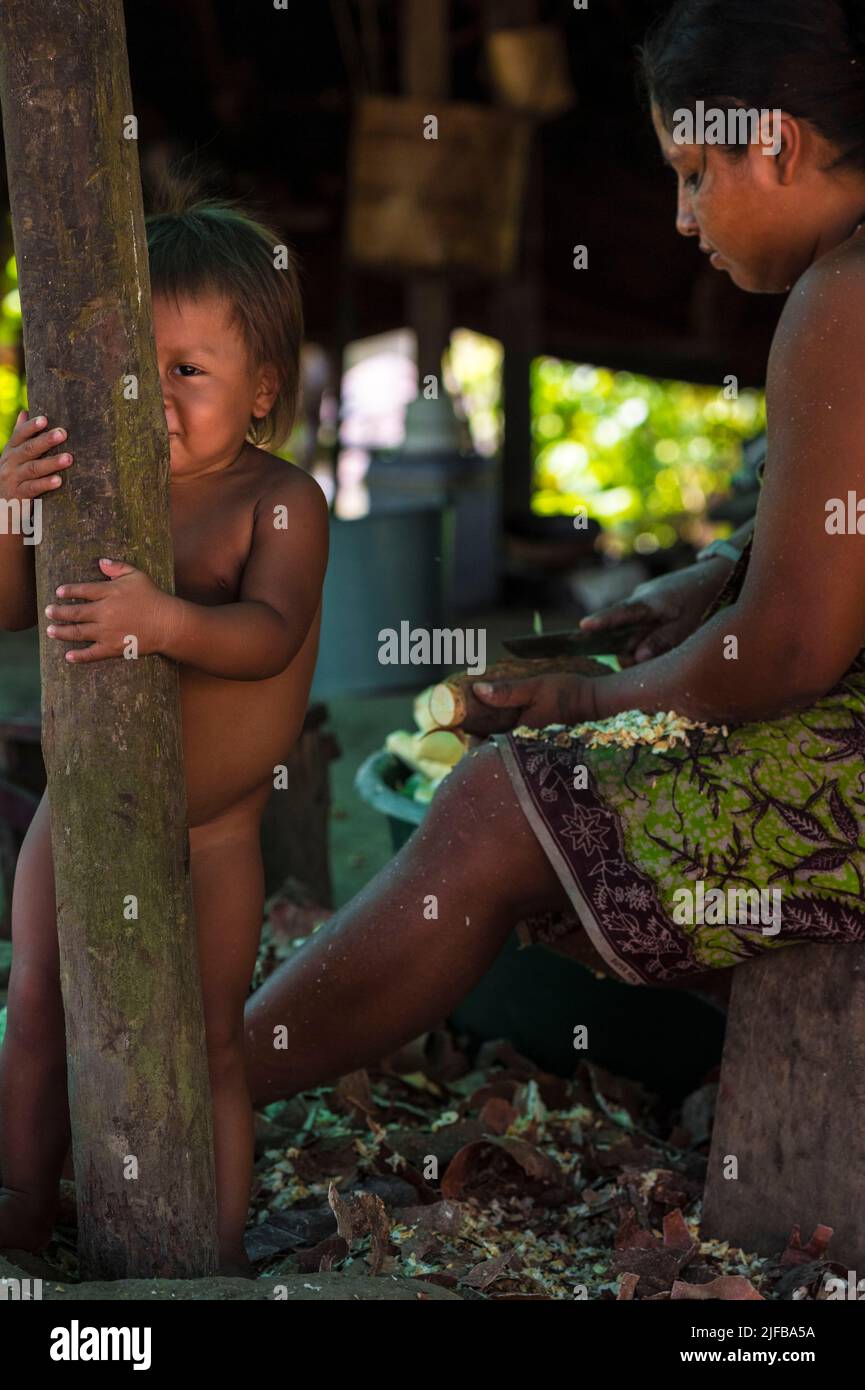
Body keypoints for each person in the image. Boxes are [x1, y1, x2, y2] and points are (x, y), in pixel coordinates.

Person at [242, 0, 865, 1110]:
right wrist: (723, 567)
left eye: (693, 173)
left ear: (782, 142)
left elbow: (786, 656)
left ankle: (195, 1089)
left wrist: (590, 700)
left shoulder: (842, 302)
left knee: (494, 807)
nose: (679, 218)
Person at [0, 198, 329, 1273]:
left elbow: (270, 636)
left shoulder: (278, 502)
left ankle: (214, 1255)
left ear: (263, 389)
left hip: (215, 835)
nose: (154, 396)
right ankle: (22, 1219)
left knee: (212, 1040)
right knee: (37, 1004)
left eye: (189, 369)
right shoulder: (87, 487)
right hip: (81, 804)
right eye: (135, 368)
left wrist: (162, 620)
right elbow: (10, 603)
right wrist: (12, 505)